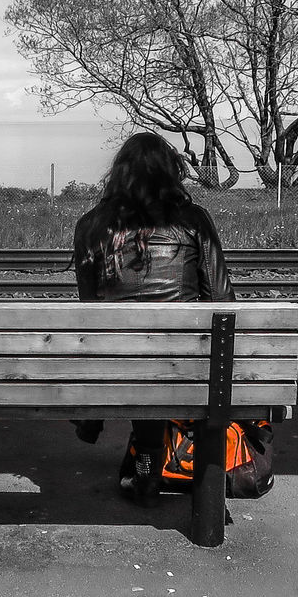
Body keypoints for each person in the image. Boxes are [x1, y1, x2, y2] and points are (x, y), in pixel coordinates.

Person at [71, 132, 235, 507]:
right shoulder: (194, 221)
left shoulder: (91, 226)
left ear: (118, 175)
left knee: (130, 354)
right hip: (186, 366)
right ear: (172, 173)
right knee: (173, 357)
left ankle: (143, 465)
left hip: (113, 365)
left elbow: (87, 310)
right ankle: (157, 469)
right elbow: (223, 300)